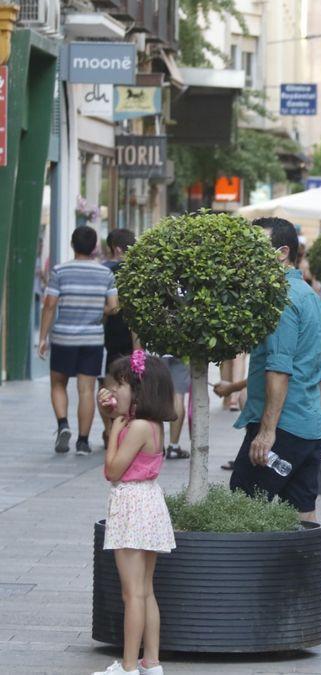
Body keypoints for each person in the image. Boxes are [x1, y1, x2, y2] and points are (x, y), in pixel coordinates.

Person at [229, 219, 321, 565]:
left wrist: (268, 431)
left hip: (284, 428)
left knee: (242, 505)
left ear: (282, 253)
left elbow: (279, 369)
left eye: (257, 248)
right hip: (308, 428)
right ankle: (312, 580)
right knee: (302, 509)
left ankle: (243, 586)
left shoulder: (282, 299)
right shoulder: (311, 298)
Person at [93, 351, 177, 675]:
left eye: (121, 386)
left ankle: (128, 666)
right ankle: (151, 662)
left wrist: (114, 426)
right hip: (149, 502)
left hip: (131, 505)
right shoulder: (151, 424)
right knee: (145, 590)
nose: (115, 391)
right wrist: (112, 413)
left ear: (139, 390)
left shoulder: (136, 426)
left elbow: (113, 470)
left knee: (132, 594)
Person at [39, 225, 118, 455]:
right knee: (86, 389)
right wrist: (96, 309)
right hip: (92, 338)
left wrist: (43, 337)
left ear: (73, 245)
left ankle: (63, 424)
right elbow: (114, 307)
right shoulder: (105, 273)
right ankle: (83, 442)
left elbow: (50, 305)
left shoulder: (60, 271)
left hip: (64, 337)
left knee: (58, 383)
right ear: (94, 248)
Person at [100, 229, 137, 446]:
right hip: (134, 337)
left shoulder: (106, 270)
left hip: (111, 334)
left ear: (115, 249)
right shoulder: (143, 270)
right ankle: (127, 428)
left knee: (108, 386)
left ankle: (110, 431)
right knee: (132, 385)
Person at [162, 355, 192, 460]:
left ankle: (157, 445)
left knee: (155, 394)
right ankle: (173, 446)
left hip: (157, 348)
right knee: (178, 395)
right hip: (180, 348)